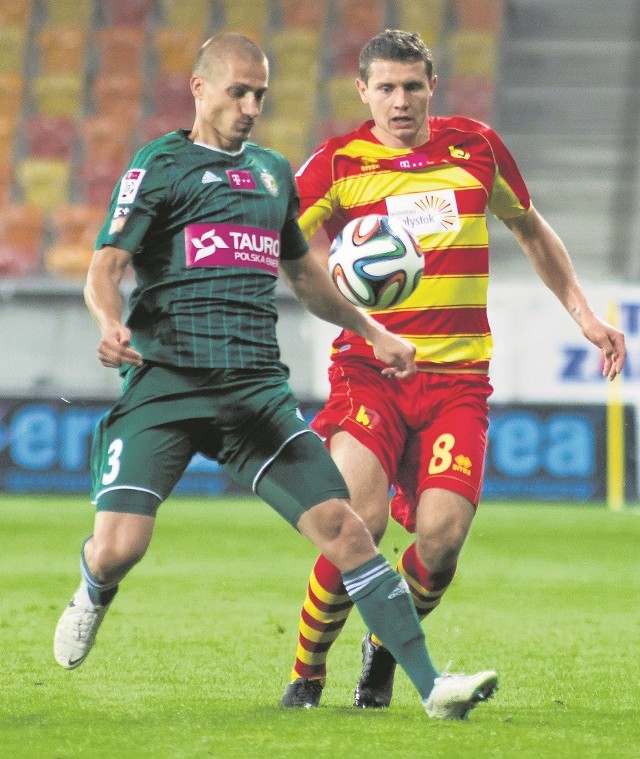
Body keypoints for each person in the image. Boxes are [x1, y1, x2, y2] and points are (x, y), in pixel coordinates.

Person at [52, 32, 498, 721]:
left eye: (261, 93)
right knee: (119, 548)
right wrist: (108, 323)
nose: (253, 105)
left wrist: (374, 331)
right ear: (199, 89)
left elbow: (307, 276)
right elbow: (106, 264)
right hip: (168, 385)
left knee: (350, 530)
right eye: (239, 91)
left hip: (255, 392)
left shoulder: (270, 173)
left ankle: (432, 685)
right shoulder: (160, 165)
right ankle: (93, 587)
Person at [279, 29, 626, 710]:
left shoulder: (477, 148)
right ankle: (307, 668)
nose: (400, 101)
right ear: (363, 93)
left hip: (458, 384)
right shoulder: (337, 163)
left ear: (432, 86)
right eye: (386, 88)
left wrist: (583, 314)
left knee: (441, 541)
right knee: (362, 519)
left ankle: (382, 647)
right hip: (370, 372)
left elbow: (530, 228)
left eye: (412, 86)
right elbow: (283, 243)